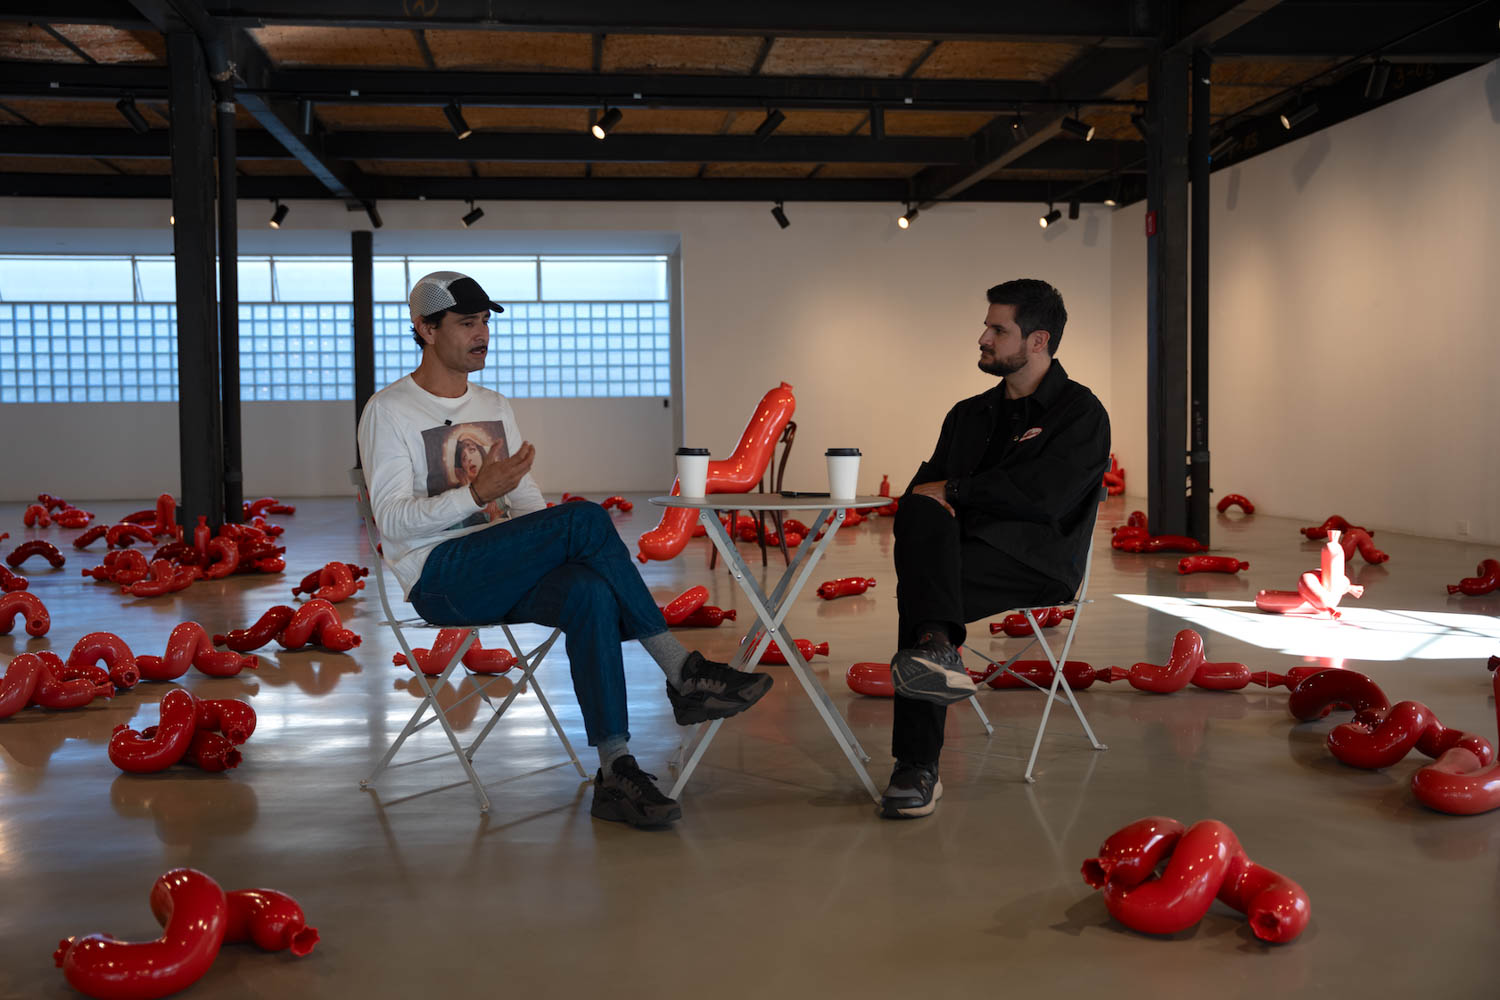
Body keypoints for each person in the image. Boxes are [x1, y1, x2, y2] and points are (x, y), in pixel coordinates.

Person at [357, 271, 773, 828]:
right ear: (425, 329)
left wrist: (547, 532)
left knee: (589, 591)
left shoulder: (495, 404)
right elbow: (394, 522)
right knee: (583, 519)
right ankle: (682, 672)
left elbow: (527, 504)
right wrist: (476, 493)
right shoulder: (389, 411)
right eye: (466, 323)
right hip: (442, 577)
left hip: (503, 565)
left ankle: (616, 770)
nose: (482, 334)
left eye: (485, 322)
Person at [881, 279, 1109, 819]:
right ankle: (937, 648)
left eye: (998, 328)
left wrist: (960, 492)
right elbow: (921, 496)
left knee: (926, 588)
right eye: (987, 326)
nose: (983, 337)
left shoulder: (1079, 413)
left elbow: (1045, 499)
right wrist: (950, 497)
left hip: (1039, 563)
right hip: (963, 555)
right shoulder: (968, 414)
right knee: (924, 543)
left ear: (1037, 340)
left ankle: (916, 765)